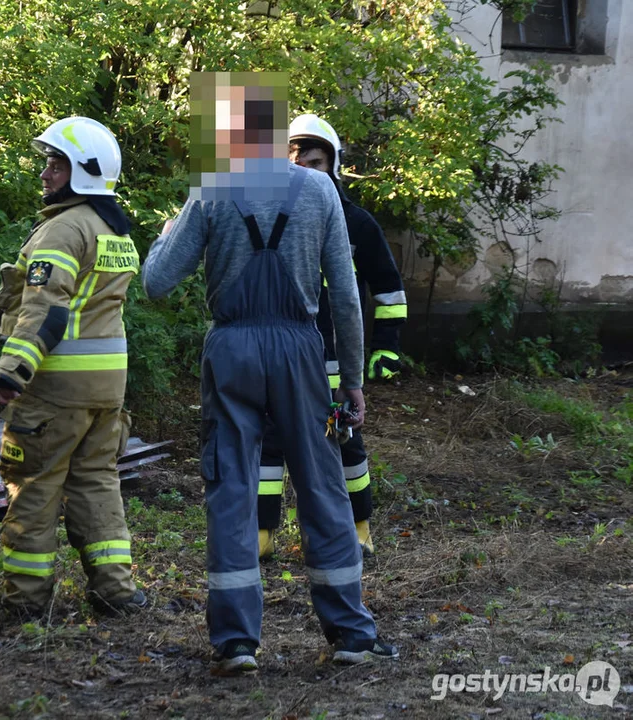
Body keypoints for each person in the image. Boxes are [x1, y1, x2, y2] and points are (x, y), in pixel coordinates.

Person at [142, 73, 397, 675]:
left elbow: (155, 283)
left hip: (230, 348)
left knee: (232, 486)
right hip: (303, 349)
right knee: (322, 483)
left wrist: (166, 236)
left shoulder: (211, 191)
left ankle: (236, 643)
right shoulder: (318, 190)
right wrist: (352, 379)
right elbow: (345, 298)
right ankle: (351, 632)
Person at [0, 116, 146, 618]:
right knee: (97, 482)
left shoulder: (64, 228)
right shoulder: (113, 229)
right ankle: (115, 590)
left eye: (56, 163)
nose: (45, 173)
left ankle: (27, 601)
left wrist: (14, 369)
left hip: (56, 388)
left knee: (34, 485)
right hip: (107, 390)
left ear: (82, 172)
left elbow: (46, 308)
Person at [257, 114, 408, 559]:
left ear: (335, 166)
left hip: (336, 359)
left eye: (316, 162)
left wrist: (386, 346)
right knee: (269, 444)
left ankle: (358, 530)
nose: (304, 170)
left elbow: (388, 290)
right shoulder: (270, 215)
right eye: (295, 160)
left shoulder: (357, 223)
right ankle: (263, 535)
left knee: (344, 444)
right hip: (283, 355)